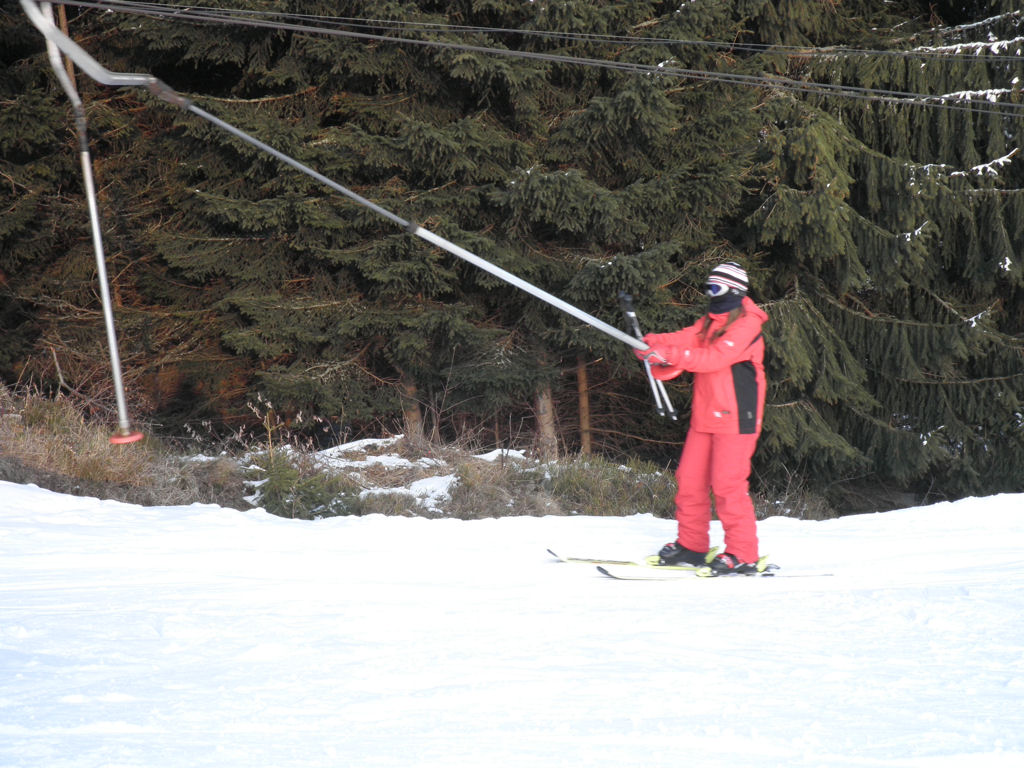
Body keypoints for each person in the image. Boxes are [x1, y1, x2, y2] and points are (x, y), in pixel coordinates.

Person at [635, 262, 768, 574]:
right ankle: (692, 545)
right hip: (706, 415)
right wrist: (653, 343)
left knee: (727, 486)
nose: (710, 294)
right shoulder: (711, 321)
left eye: (716, 288)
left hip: (737, 418)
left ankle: (743, 553)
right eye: (708, 287)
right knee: (690, 481)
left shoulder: (747, 326)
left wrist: (670, 355)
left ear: (734, 290)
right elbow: (687, 338)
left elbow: (715, 358)